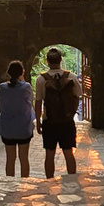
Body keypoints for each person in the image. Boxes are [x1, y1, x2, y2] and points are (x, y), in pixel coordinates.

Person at [34, 48, 82, 178]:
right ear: (61, 60)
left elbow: (38, 102)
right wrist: (71, 113)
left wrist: (38, 122)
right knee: (68, 152)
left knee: (49, 154)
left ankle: (49, 181)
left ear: (47, 61)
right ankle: (72, 179)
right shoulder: (71, 77)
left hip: (49, 121)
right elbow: (77, 97)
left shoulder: (41, 79)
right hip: (66, 121)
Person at [0, 60, 35, 177]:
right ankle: (25, 182)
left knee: (10, 159)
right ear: (22, 72)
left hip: (7, 128)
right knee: (24, 158)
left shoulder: (3, 88)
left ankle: (9, 183)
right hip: (23, 128)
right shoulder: (26, 87)